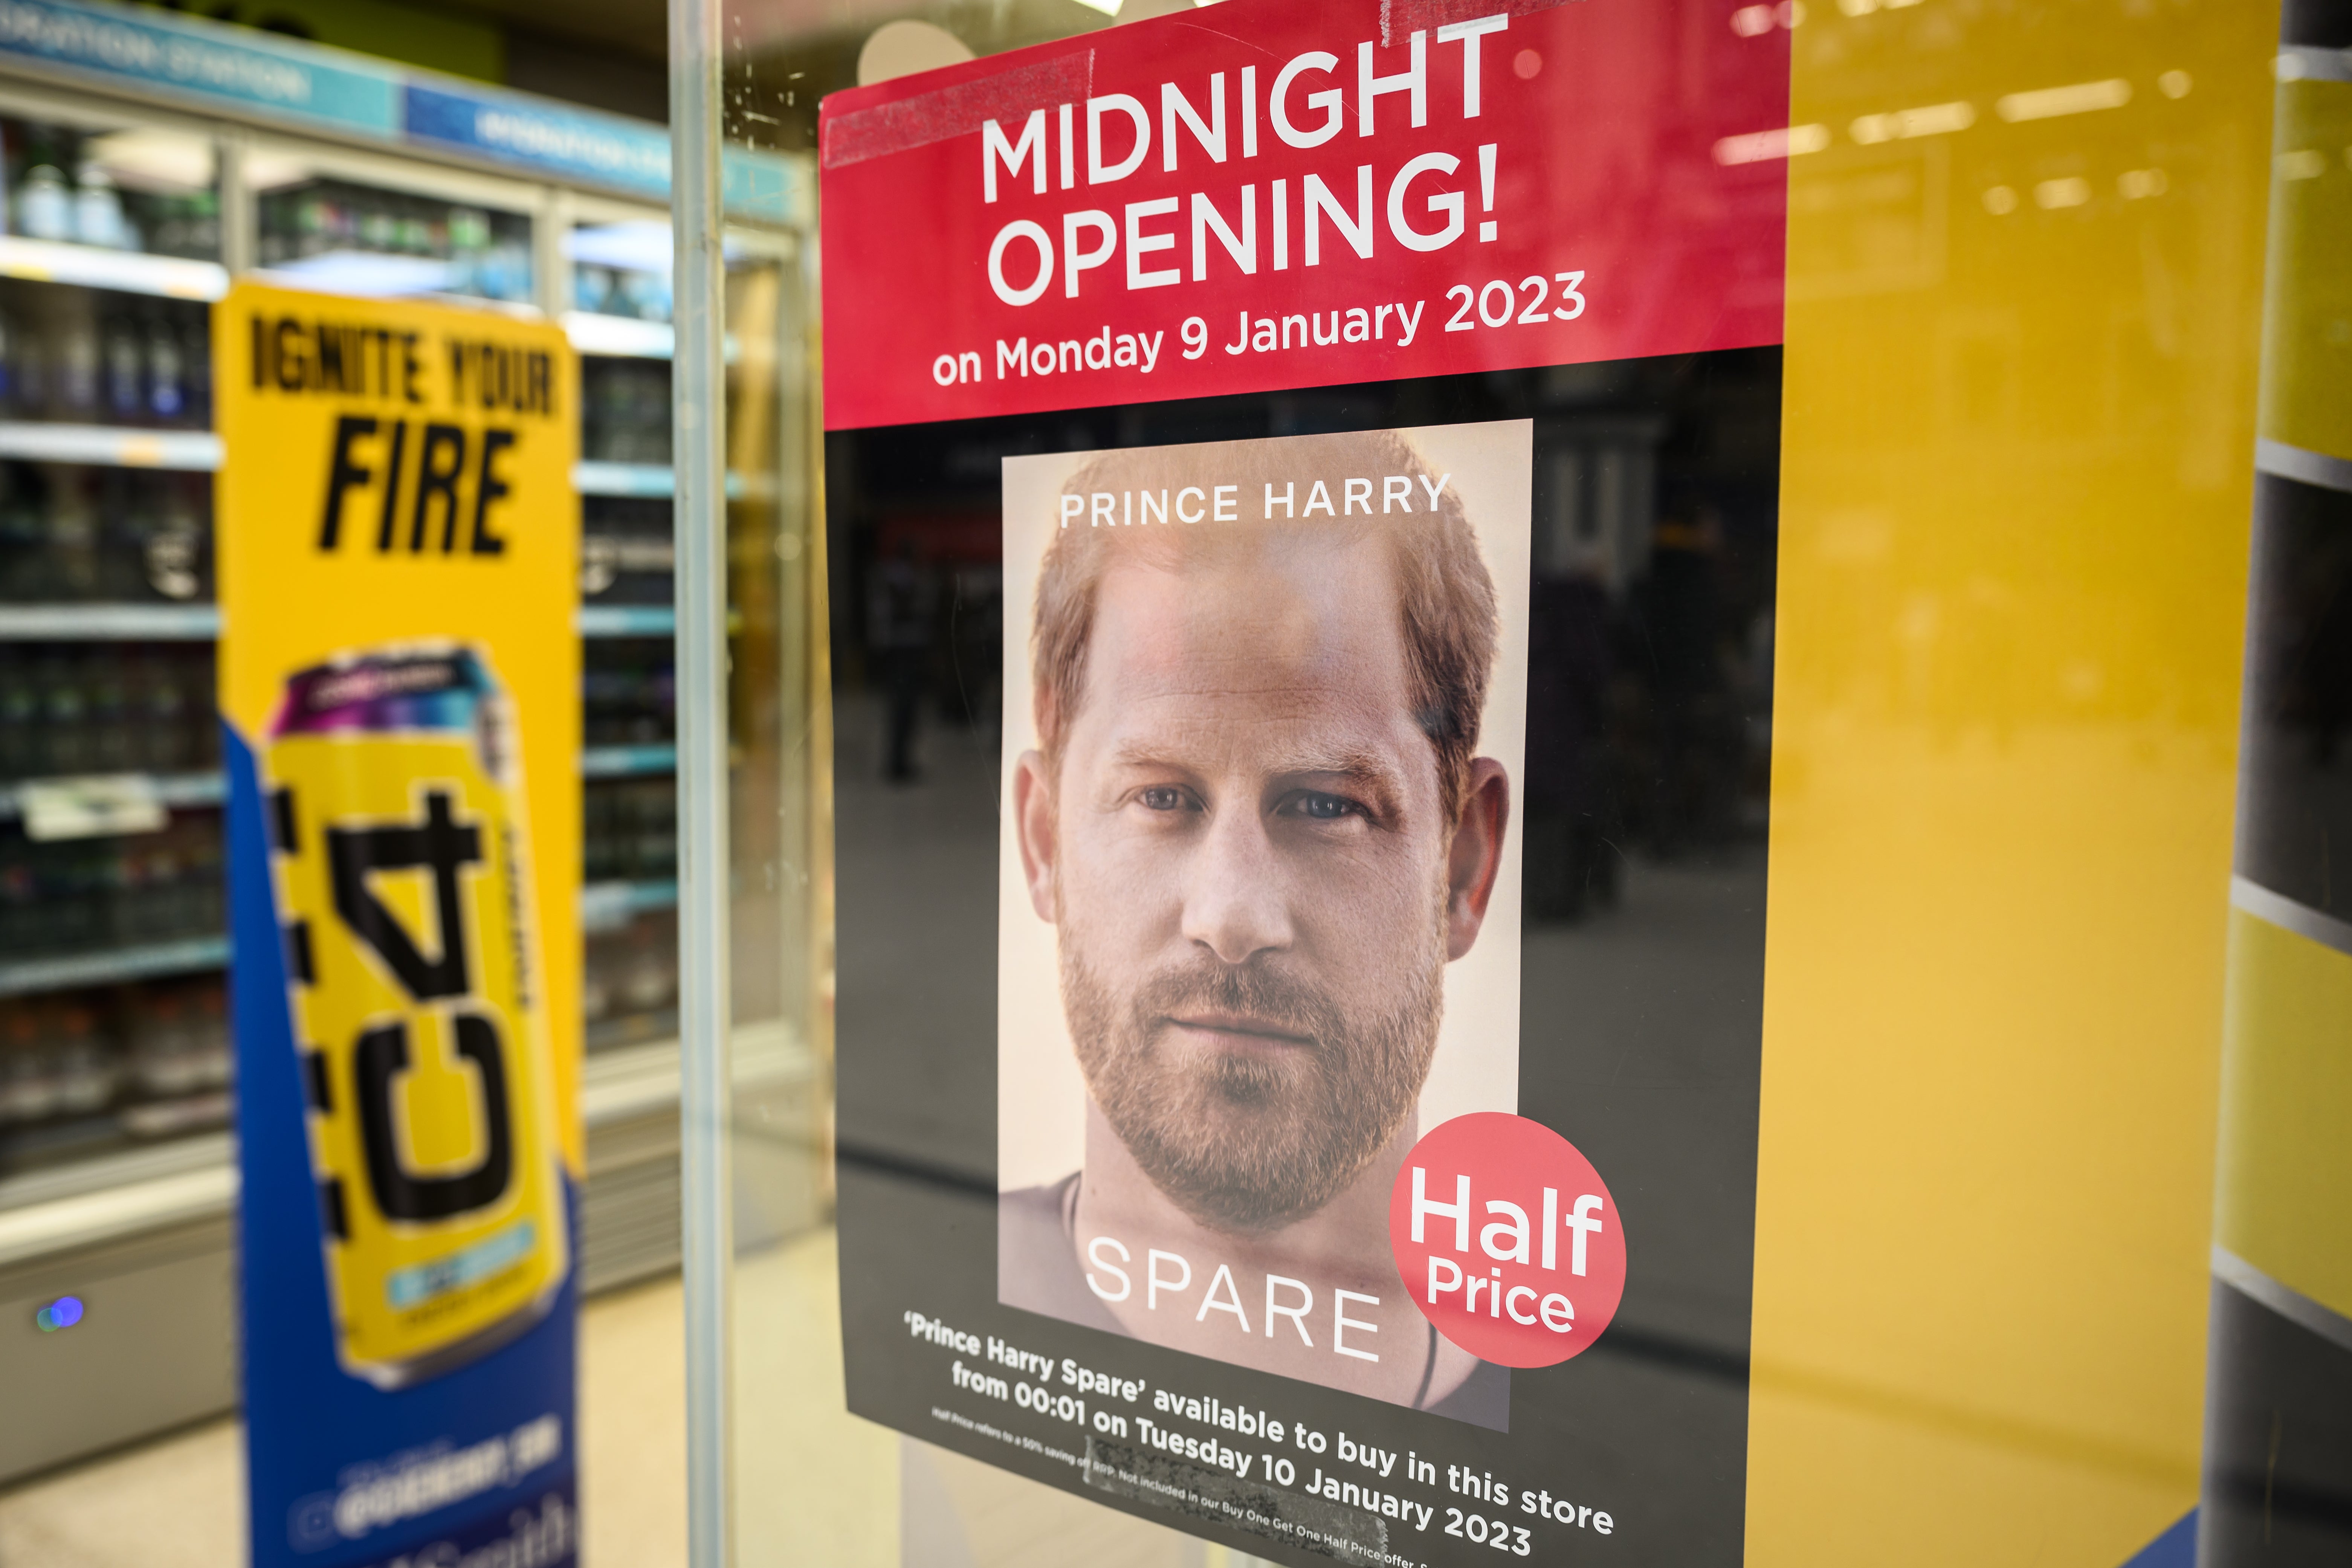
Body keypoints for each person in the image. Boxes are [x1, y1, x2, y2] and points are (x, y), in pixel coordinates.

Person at [999, 429, 1513, 1424]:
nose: (1231, 914)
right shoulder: (946, 1287)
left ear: (1463, 864)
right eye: (1159, 795)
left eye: (1326, 804)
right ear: (1044, 840)